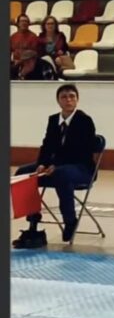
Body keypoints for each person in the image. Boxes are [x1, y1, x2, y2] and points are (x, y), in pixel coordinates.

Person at [12, 84, 97, 248]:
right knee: (23, 173)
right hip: (57, 166)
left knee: (61, 174)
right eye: (64, 97)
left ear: (77, 100)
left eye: (72, 96)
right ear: (58, 101)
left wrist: (55, 165)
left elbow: (79, 151)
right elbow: (47, 146)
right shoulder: (53, 120)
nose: (68, 100)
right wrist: (42, 164)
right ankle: (33, 221)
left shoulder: (85, 121)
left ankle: (70, 220)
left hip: (81, 167)